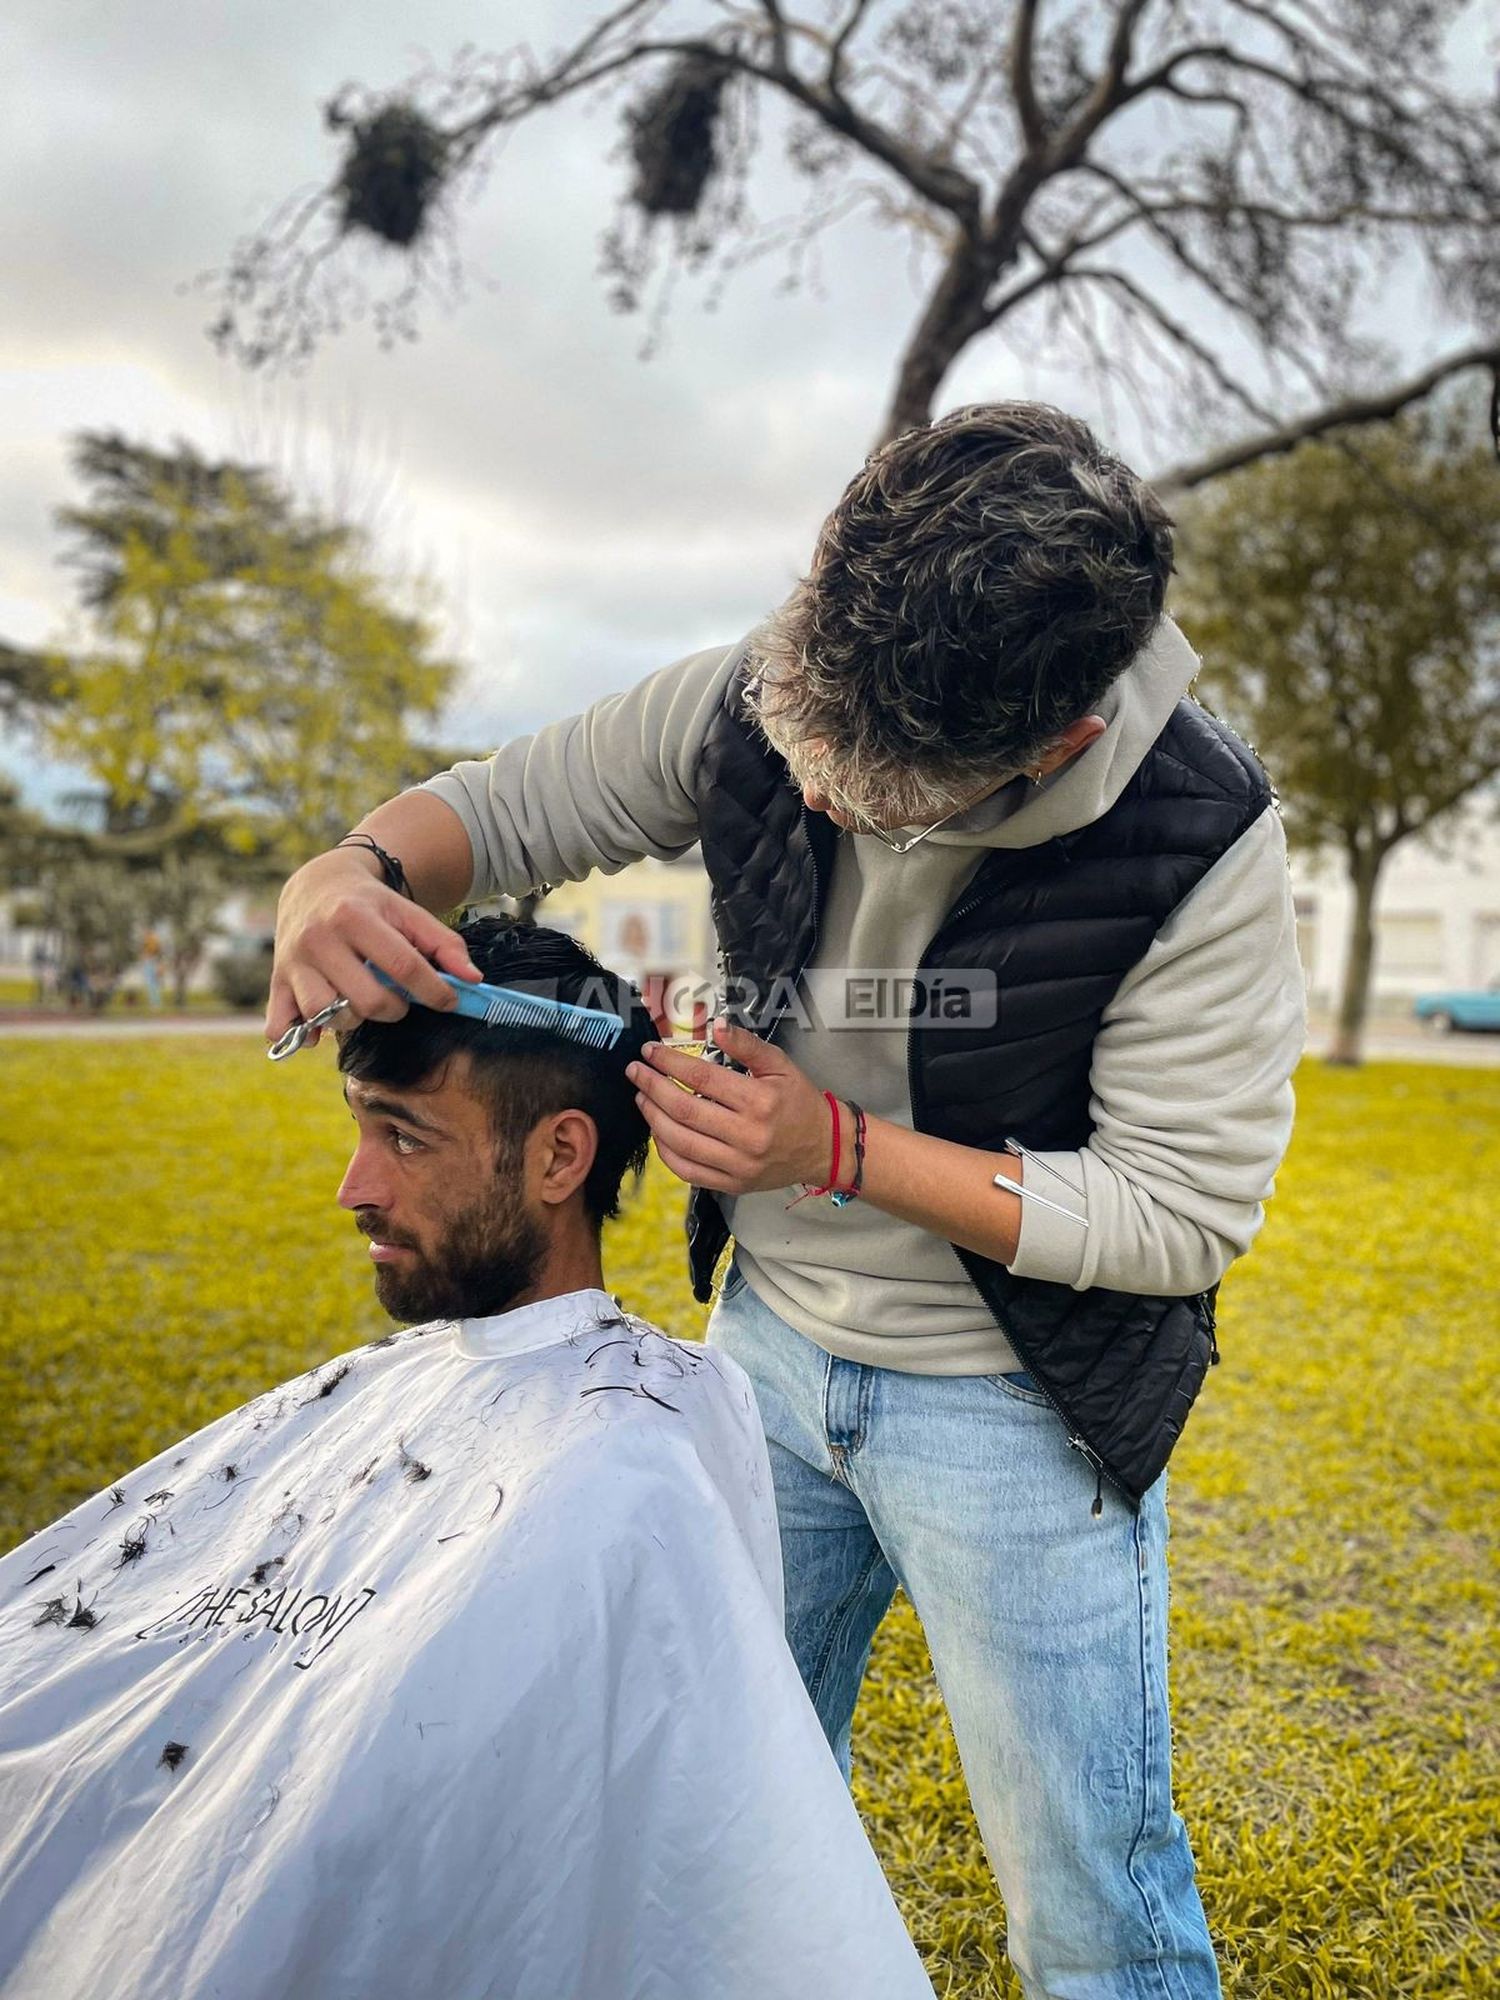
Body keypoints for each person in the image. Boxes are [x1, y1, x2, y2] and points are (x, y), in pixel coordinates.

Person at [266, 403, 1306, 1999]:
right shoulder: (781, 684)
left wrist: (835, 1150)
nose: (806, 800)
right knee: (701, 1816)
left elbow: (1177, 1215)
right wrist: (346, 872)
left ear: (1056, 745)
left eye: (868, 794)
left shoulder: (1203, 838)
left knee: (1093, 1908)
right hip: (763, 1361)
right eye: (798, 750)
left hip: (1018, 1411)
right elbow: (516, 807)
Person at [0, 919, 934, 2000]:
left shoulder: (631, 1458)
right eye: (362, 1129)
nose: (355, 1187)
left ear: (558, 1155)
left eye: (405, 1137)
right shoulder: (392, 1384)